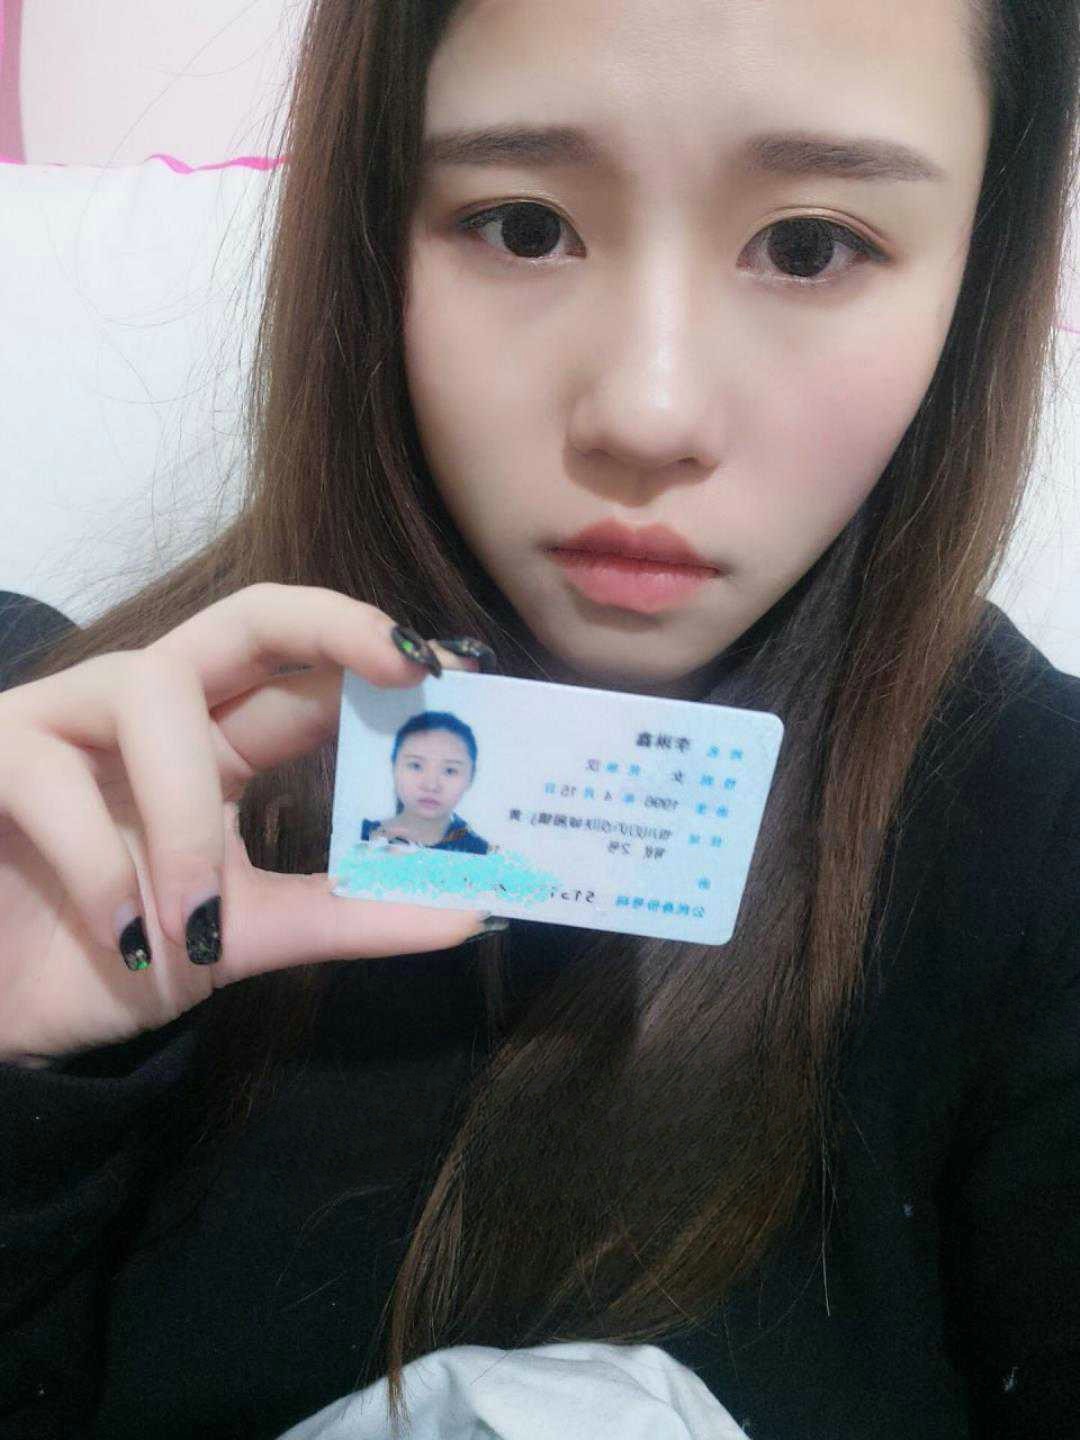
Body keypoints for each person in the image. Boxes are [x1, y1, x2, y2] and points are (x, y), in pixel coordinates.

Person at [0, 0, 1078, 1437]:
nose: (647, 414)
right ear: (376, 225)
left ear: (977, 272)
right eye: (522, 226)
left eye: (811, 247)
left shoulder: (1043, 849)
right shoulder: (47, 779)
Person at [359, 711, 493, 854]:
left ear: (471, 778)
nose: (431, 786)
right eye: (416, 766)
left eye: (450, 771)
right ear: (394, 767)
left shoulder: (481, 854)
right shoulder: (361, 836)